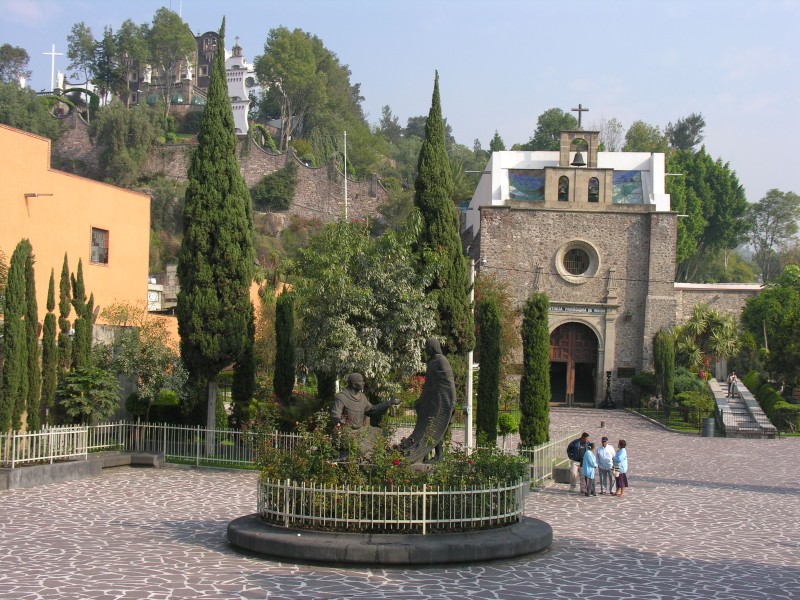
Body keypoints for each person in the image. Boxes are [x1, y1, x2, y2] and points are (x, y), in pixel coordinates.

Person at [331, 373, 399, 460]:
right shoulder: (341, 397)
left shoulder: (362, 398)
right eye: (361, 381)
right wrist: (343, 423)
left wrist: (389, 403)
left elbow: (372, 410)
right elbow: (335, 415)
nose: (363, 383)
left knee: (382, 433)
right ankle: (349, 456)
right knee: (361, 447)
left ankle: (368, 452)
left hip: (361, 431)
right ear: (354, 384)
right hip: (347, 433)